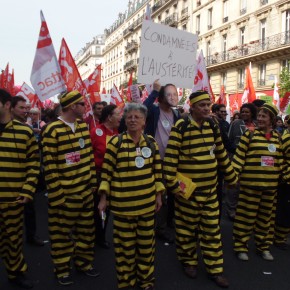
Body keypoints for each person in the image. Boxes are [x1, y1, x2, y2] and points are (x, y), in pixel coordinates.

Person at [164, 91, 237, 288]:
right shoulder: (181, 126)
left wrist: (231, 176)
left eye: (208, 104)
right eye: (202, 105)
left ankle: (215, 270)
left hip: (211, 192)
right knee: (187, 230)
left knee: (212, 231)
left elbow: (221, 152)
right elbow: (170, 160)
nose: (206, 108)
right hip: (187, 193)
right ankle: (188, 262)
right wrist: (173, 186)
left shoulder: (213, 125)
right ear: (192, 106)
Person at [98, 103, 165, 290]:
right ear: (124, 121)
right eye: (129, 117)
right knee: (124, 249)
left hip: (146, 207)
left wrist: (159, 196)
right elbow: (107, 173)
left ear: (144, 121)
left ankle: (146, 281)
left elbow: (157, 172)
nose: (133, 119)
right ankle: (125, 281)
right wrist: (103, 198)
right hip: (122, 209)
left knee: (146, 248)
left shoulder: (151, 142)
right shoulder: (115, 143)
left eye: (137, 117)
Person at [42, 91, 99, 286]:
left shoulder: (83, 127)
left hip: (85, 193)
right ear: (72, 106)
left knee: (86, 232)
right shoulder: (52, 130)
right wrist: (58, 198)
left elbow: (88, 156)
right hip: (65, 196)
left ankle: (84, 263)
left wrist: (92, 183)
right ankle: (62, 269)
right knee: (61, 235)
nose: (86, 107)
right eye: (82, 104)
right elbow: (49, 167)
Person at [232, 103, 283, 261]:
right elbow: (239, 157)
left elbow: (279, 160)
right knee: (245, 217)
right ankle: (241, 246)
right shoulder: (250, 135)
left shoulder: (277, 137)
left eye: (263, 116)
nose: (259, 119)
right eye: (259, 116)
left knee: (265, 219)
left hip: (270, 188)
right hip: (250, 186)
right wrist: (233, 176)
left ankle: (263, 247)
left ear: (272, 120)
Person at [0, 89, 40, 289]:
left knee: (14, 240)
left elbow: (34, 164)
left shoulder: (25, 131)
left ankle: (16, 273)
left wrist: (27, 190)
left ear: (6, 104)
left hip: (12, 199)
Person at [143, 79, 180, 242]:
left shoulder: (177, 114)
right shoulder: (154, 110)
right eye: (169, 94)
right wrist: (155, 91)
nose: (173, 97)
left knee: (173, 194)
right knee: (160, 195)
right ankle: (160, 227)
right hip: (156, 161)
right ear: (162, 97)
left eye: (175, 94)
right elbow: (142, 109)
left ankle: (167, 222)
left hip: (173, 161)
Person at [11, 96, 44, 247]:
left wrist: (30, 183)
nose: (26, 111)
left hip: (26, 180)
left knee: (29, 210)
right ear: (10, 108)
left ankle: (31, 235)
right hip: (8, 181)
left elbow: (34, 159)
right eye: (22, 108)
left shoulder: (27, 130)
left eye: (27, 109)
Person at [90, 104, 121, 249]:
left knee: (106, 209)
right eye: (118, 114)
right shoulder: (96, 132)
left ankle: (101, 235)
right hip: (97, 177)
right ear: (109, 117)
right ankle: (95, 236)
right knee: (98, 208)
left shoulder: (117, 133)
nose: (120, 117)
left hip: (112, 177)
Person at [226, 103, 257, 220]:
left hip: (251, 160)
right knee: (234, 185)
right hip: (236, 157)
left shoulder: (257, 125)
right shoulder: (235, 123)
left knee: (246, 185)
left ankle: (243, 208)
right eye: (242, 111)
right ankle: (231, 209)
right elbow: (229, 140)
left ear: (252, 113)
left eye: (247, 112)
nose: (244, 114)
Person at [274, 122, 290, 250]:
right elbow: (279, 158)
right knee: (284, 210)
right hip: (286, 182)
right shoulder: (285, 138)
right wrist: (286, 175)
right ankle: (279, 238)